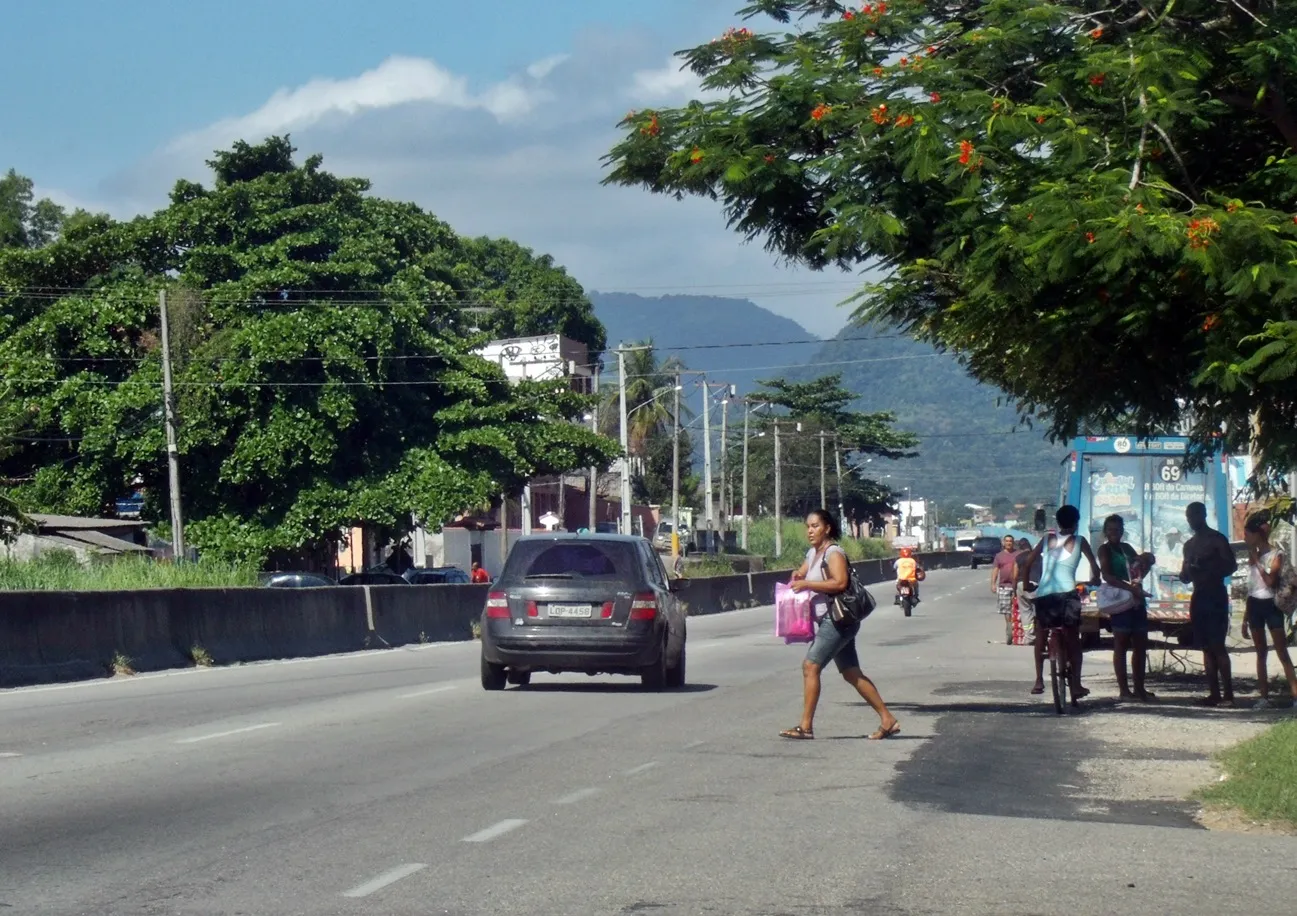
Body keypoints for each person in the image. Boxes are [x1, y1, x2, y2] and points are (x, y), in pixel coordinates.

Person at [779, 509, 900, 741]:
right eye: (808, 527)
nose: (810, 531)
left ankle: (805, 727)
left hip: (836, 620)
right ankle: (887, 719)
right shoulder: (814, 553)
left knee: (810, 667)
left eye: (815, 526)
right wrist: (798, 576)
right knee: (851, 673)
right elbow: (802, 573)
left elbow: (840, 582)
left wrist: (807, 584)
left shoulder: (834, 552)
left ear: (827, 528)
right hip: (834, 620)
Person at [1020, 505, 1101, 699]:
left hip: (1045, 594)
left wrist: (1026, 585)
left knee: (1041, 632)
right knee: (1073, 638)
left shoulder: (1046, 539)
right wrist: (1095, 580)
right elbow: (1094, 567)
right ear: (1076, 522)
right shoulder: (1080, 541)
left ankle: (1039, 680)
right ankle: (1076, 685)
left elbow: (1028, 562)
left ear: (1057, 522)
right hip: (1067, 594)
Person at [1180, 501, 1239, 707]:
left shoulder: (1216, 540)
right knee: (1205, 647)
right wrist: (1188, 568)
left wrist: (1209, 566)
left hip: (1215, 595)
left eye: (1194, 515)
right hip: (1199, 597)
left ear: (1203, 515)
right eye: (1188, 516)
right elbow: (1184, 577)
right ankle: (1214, 693)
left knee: (1218, 645)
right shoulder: (1188, 545)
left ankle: (1229, 695)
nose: (1191, 520)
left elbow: (1232, 565)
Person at [1097, 514, 1157, 702]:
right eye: (1111, 530)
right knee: (1121, 644)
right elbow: (1107, 575)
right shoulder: (1104, 550)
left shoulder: (1127, 548)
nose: (1115, 533)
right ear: (1106, 532)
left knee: (1140, 645)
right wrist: (1130, 588)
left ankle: (1140, 688)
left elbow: (1137, 571)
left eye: (1118, 529)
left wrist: (1146, 563)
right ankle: (1124, 690)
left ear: (1123, 531)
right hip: (1121, 599)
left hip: (1136, 600)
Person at [1241, 513, 1297, 708]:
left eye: (1248, 533)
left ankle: (1295, 695)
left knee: (1282, 651)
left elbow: (1270, 581)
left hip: (1271, 605)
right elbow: (1251, 587)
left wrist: (1257, 560)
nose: (1245, 537)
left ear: (1258, 534)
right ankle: (1264, 697)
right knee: (1260, 653)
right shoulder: (1252, 556)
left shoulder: (1276, 555)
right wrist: (1246, 617)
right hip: (1255, 605)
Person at [991, 535, 1019, 615]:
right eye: (1007, 541)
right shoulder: (999, 556)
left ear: (1013, 543)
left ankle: (1015, 626)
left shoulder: (1018, 554)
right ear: (1003, 543)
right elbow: (995, 570)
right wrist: (993, 584)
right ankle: (1009, 626)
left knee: (1017, 609)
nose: (1008, 543)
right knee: (1006, 610)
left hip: (1016, 587)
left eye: (1010, 541)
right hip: (1004, 586)